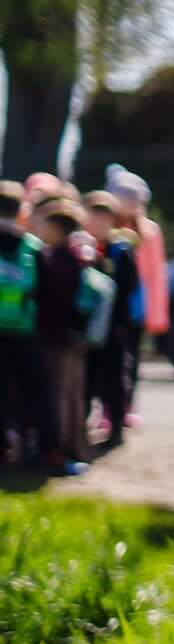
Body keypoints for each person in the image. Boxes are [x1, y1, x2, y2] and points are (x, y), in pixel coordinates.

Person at [29, 202, 93, 475]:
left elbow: (54, 300)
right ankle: (73, 447)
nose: (39, 229)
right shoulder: (76, 255)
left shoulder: (59, 258)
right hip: (72, 337)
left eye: (45, 224)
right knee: (71, 393)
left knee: (59, 394)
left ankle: (61, 450)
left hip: (58, 338)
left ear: (57, 228)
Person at [104, 165, 168, 429]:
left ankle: (127, 405)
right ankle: (107, 407)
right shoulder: (105, 227)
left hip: (135, 304)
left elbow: (155, 274)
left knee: (132, 356)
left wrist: (156, 311)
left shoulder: (149, 232)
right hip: (108, 302)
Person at [82, 192, 140, 451]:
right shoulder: (81, 247)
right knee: (86, 377)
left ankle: (115, 427)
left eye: (104, 219)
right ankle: (81, 425)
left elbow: (130, 285)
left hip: (115, 326)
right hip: (86, 326)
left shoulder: (121, 250)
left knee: (114, 378)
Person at [0, 183, 44, 468]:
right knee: (28, 392)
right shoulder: (33, 247)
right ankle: (29, 447)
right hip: (26, 331)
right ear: (22, 211)